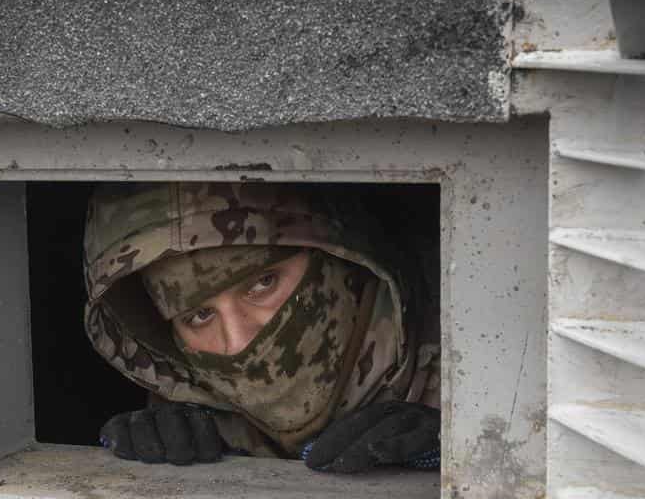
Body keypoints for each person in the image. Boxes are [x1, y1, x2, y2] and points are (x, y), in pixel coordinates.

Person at [82, 182, 440, 473]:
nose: (238, 342)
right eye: (199, 316)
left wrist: (456, 451)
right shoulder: (189, 404)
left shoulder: (473, 347)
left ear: (338, 258)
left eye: (262, 284)